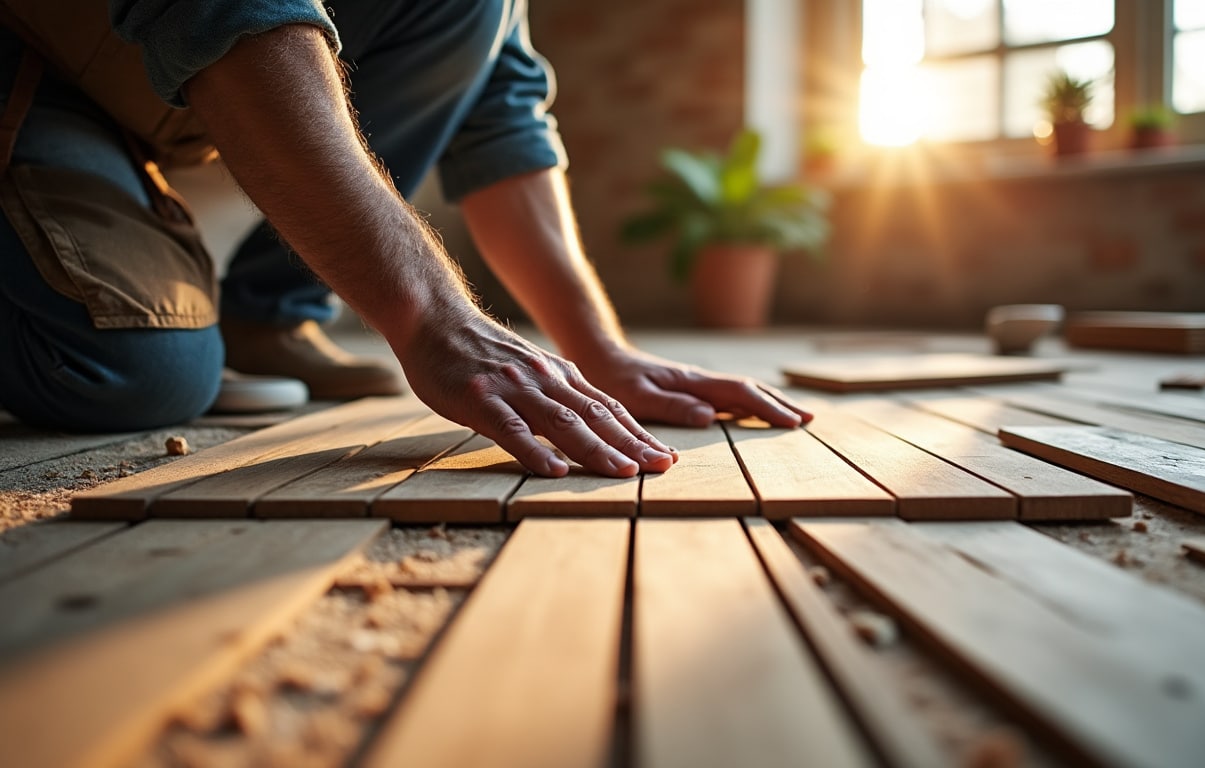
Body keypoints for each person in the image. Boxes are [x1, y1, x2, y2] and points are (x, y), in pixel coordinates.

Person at [0, 0, 811, 479]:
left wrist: (596, 347)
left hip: (122, 74)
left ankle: (268, 311)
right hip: (30, 54)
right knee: (136, 373)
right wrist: (430, 316)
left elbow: (499, 102)